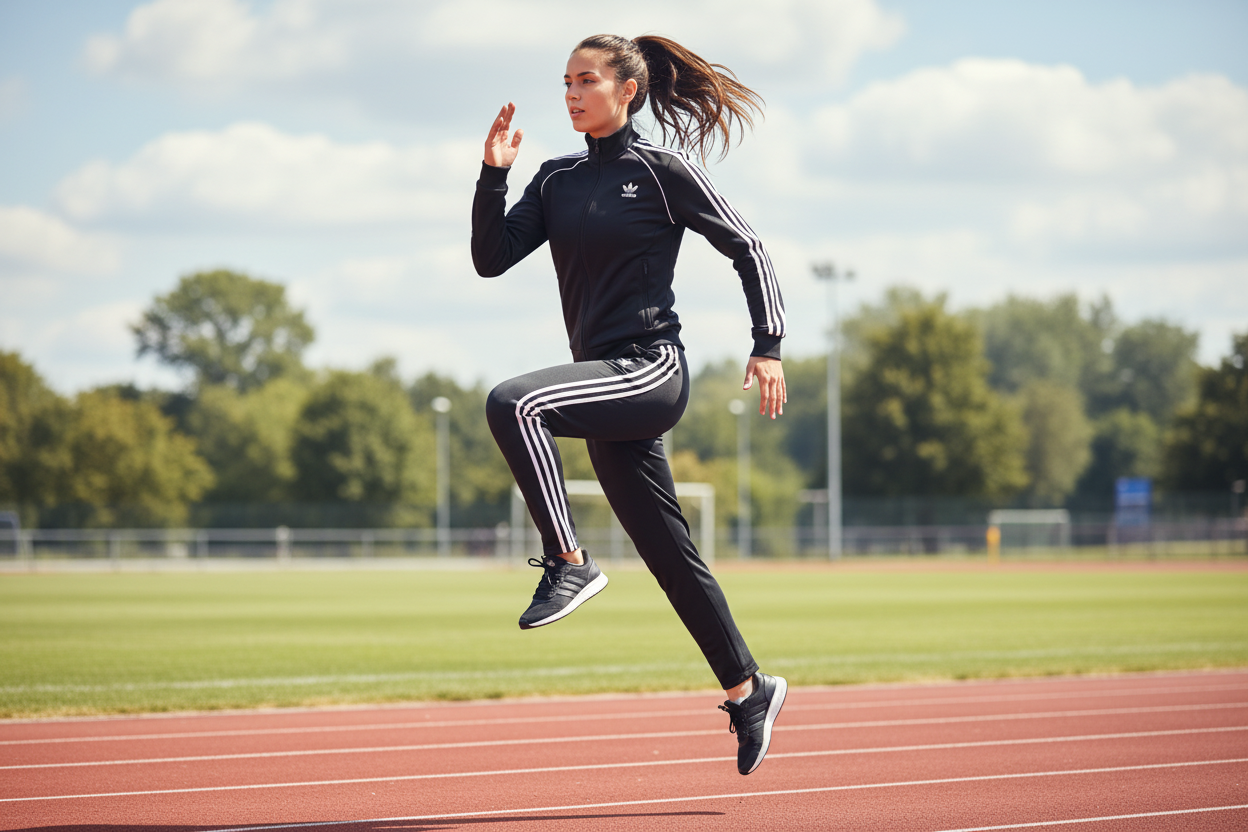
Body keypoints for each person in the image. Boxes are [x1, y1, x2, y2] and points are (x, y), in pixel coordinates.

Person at [472, 33, 787, 776]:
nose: (573, 93)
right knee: (670, 557)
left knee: (514, 404)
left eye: (587, 79)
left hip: (651, 371)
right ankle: (750, 690)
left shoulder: (661, 172)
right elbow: (490, 260)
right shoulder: (553, 180)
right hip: (604, 383)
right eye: (566, 82)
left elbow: (750, 247)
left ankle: (568, 560)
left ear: (627, 90)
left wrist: (767, 344)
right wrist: (492, 175)